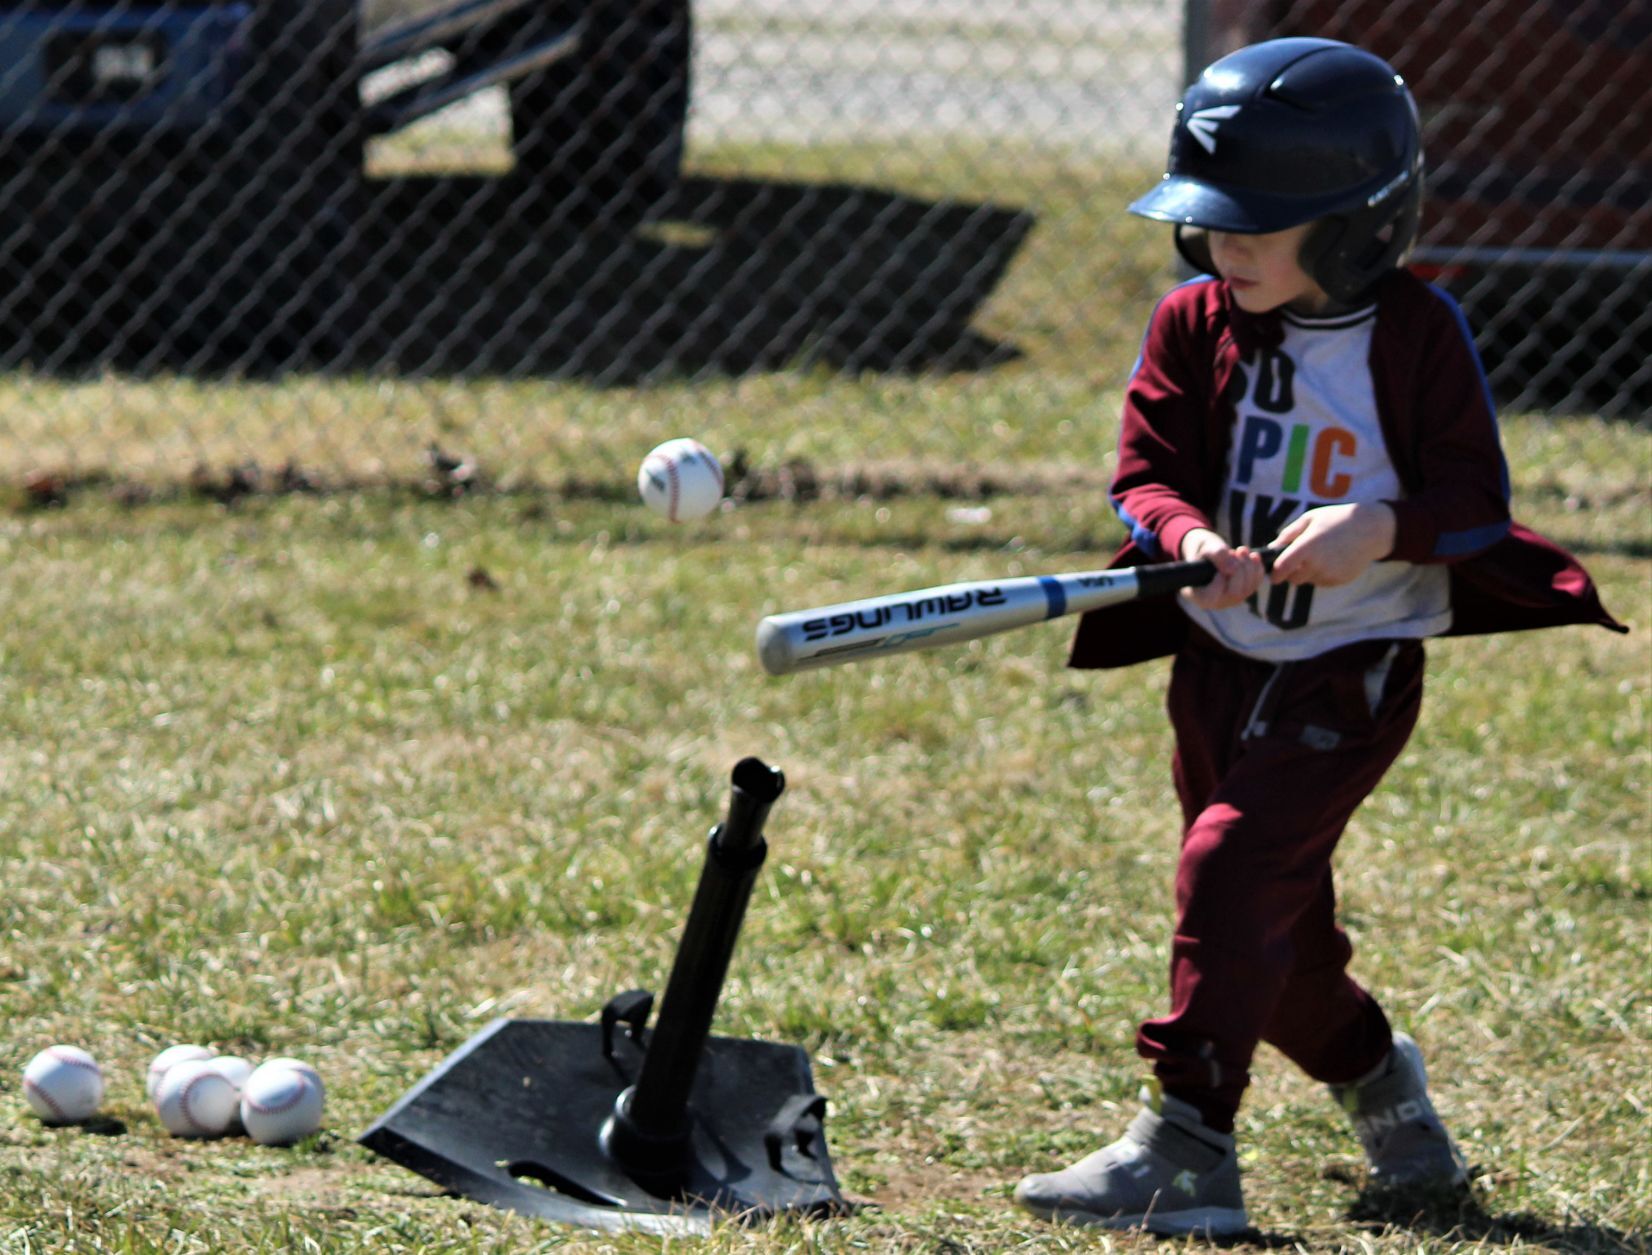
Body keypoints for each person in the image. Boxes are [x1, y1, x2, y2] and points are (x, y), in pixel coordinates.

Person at [1012, 37, 1625, 1237]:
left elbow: (1472, 502)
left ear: (1351, 227)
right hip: (1215, 663)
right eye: (1206, 221)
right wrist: (1188, 543)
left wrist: (1377, 529)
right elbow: (1144, 475)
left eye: (1252, 225)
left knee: (1229, 871)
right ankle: (1386, 1093)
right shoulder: (1190, 324)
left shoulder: (1415, 335)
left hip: (1350, 667)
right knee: (1271, 938)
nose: (1217, 246)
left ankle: (1186, 1145)